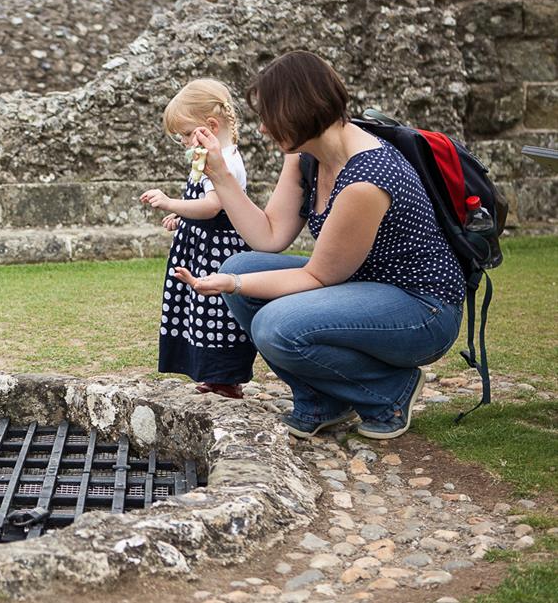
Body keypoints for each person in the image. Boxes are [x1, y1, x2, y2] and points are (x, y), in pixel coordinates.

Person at [172, 51, 464, 440]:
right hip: (359, 287)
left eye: (268, 115)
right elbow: (268, 236)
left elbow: (318, 276)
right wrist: (221, 176)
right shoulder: (305, 157)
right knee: (239, 265)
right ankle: (322, 400)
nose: (262, 128)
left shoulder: (366, 179)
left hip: (422, 309)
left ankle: (389, 391)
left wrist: (233, 286)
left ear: (295, 109)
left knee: (275, 324)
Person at [140, 79, 257, 399]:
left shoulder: (225, 162)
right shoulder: (211, 157)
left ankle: (226, 377)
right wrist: (183, 217)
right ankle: (212, 374)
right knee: (199, 312)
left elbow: (213, 206)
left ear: (211, 126)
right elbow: (204, 206)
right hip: (202, 247)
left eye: (186, 134)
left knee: (216, 315)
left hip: (216, 251)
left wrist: (170, 203)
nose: (183, 142)